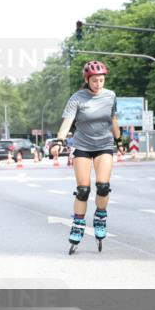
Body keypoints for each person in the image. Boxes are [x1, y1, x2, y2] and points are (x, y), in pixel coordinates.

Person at [50, 61, 120, 254]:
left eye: (101, 80)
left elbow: (113, 119)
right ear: (87, 80)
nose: (98, 84)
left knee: (103, 187)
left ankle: (100, 216)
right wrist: (59, 141)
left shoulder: (110, 96)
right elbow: (68, 122)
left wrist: (119, 140)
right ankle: (78, 224)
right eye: (95, 80)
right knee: (83, 190)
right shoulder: (77, 98)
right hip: (83, 146)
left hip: (104, 145)